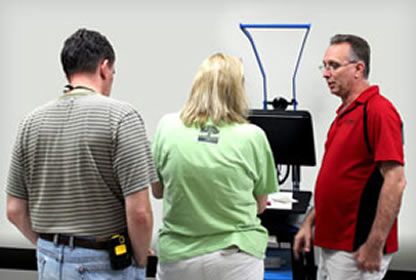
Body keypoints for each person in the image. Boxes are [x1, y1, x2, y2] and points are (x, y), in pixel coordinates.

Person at [6, 28, 157, 280]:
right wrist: (140, 260)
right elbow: (140, 213)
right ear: (105, 67)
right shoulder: (121, 117)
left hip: (49, 262)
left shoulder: (31, 122)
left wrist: (51, 246)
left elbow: (14, 210)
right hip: (104, 264)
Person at [151, 53, 278, 280]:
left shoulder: (166, 127)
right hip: (235, 257)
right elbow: (260, 206)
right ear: (238, 90)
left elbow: (158, 191)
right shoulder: (253, 136)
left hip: (179, 258)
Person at [293, 34, 406, 279]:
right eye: (324, 66)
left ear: (358, 69)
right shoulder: (344, 114)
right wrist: (309, 223)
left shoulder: (379, 111)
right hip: (331, 243)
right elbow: (337, 182)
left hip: (357, 248)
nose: (325, 73)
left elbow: (395, 182)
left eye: (333, 65)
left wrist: (374, 245)